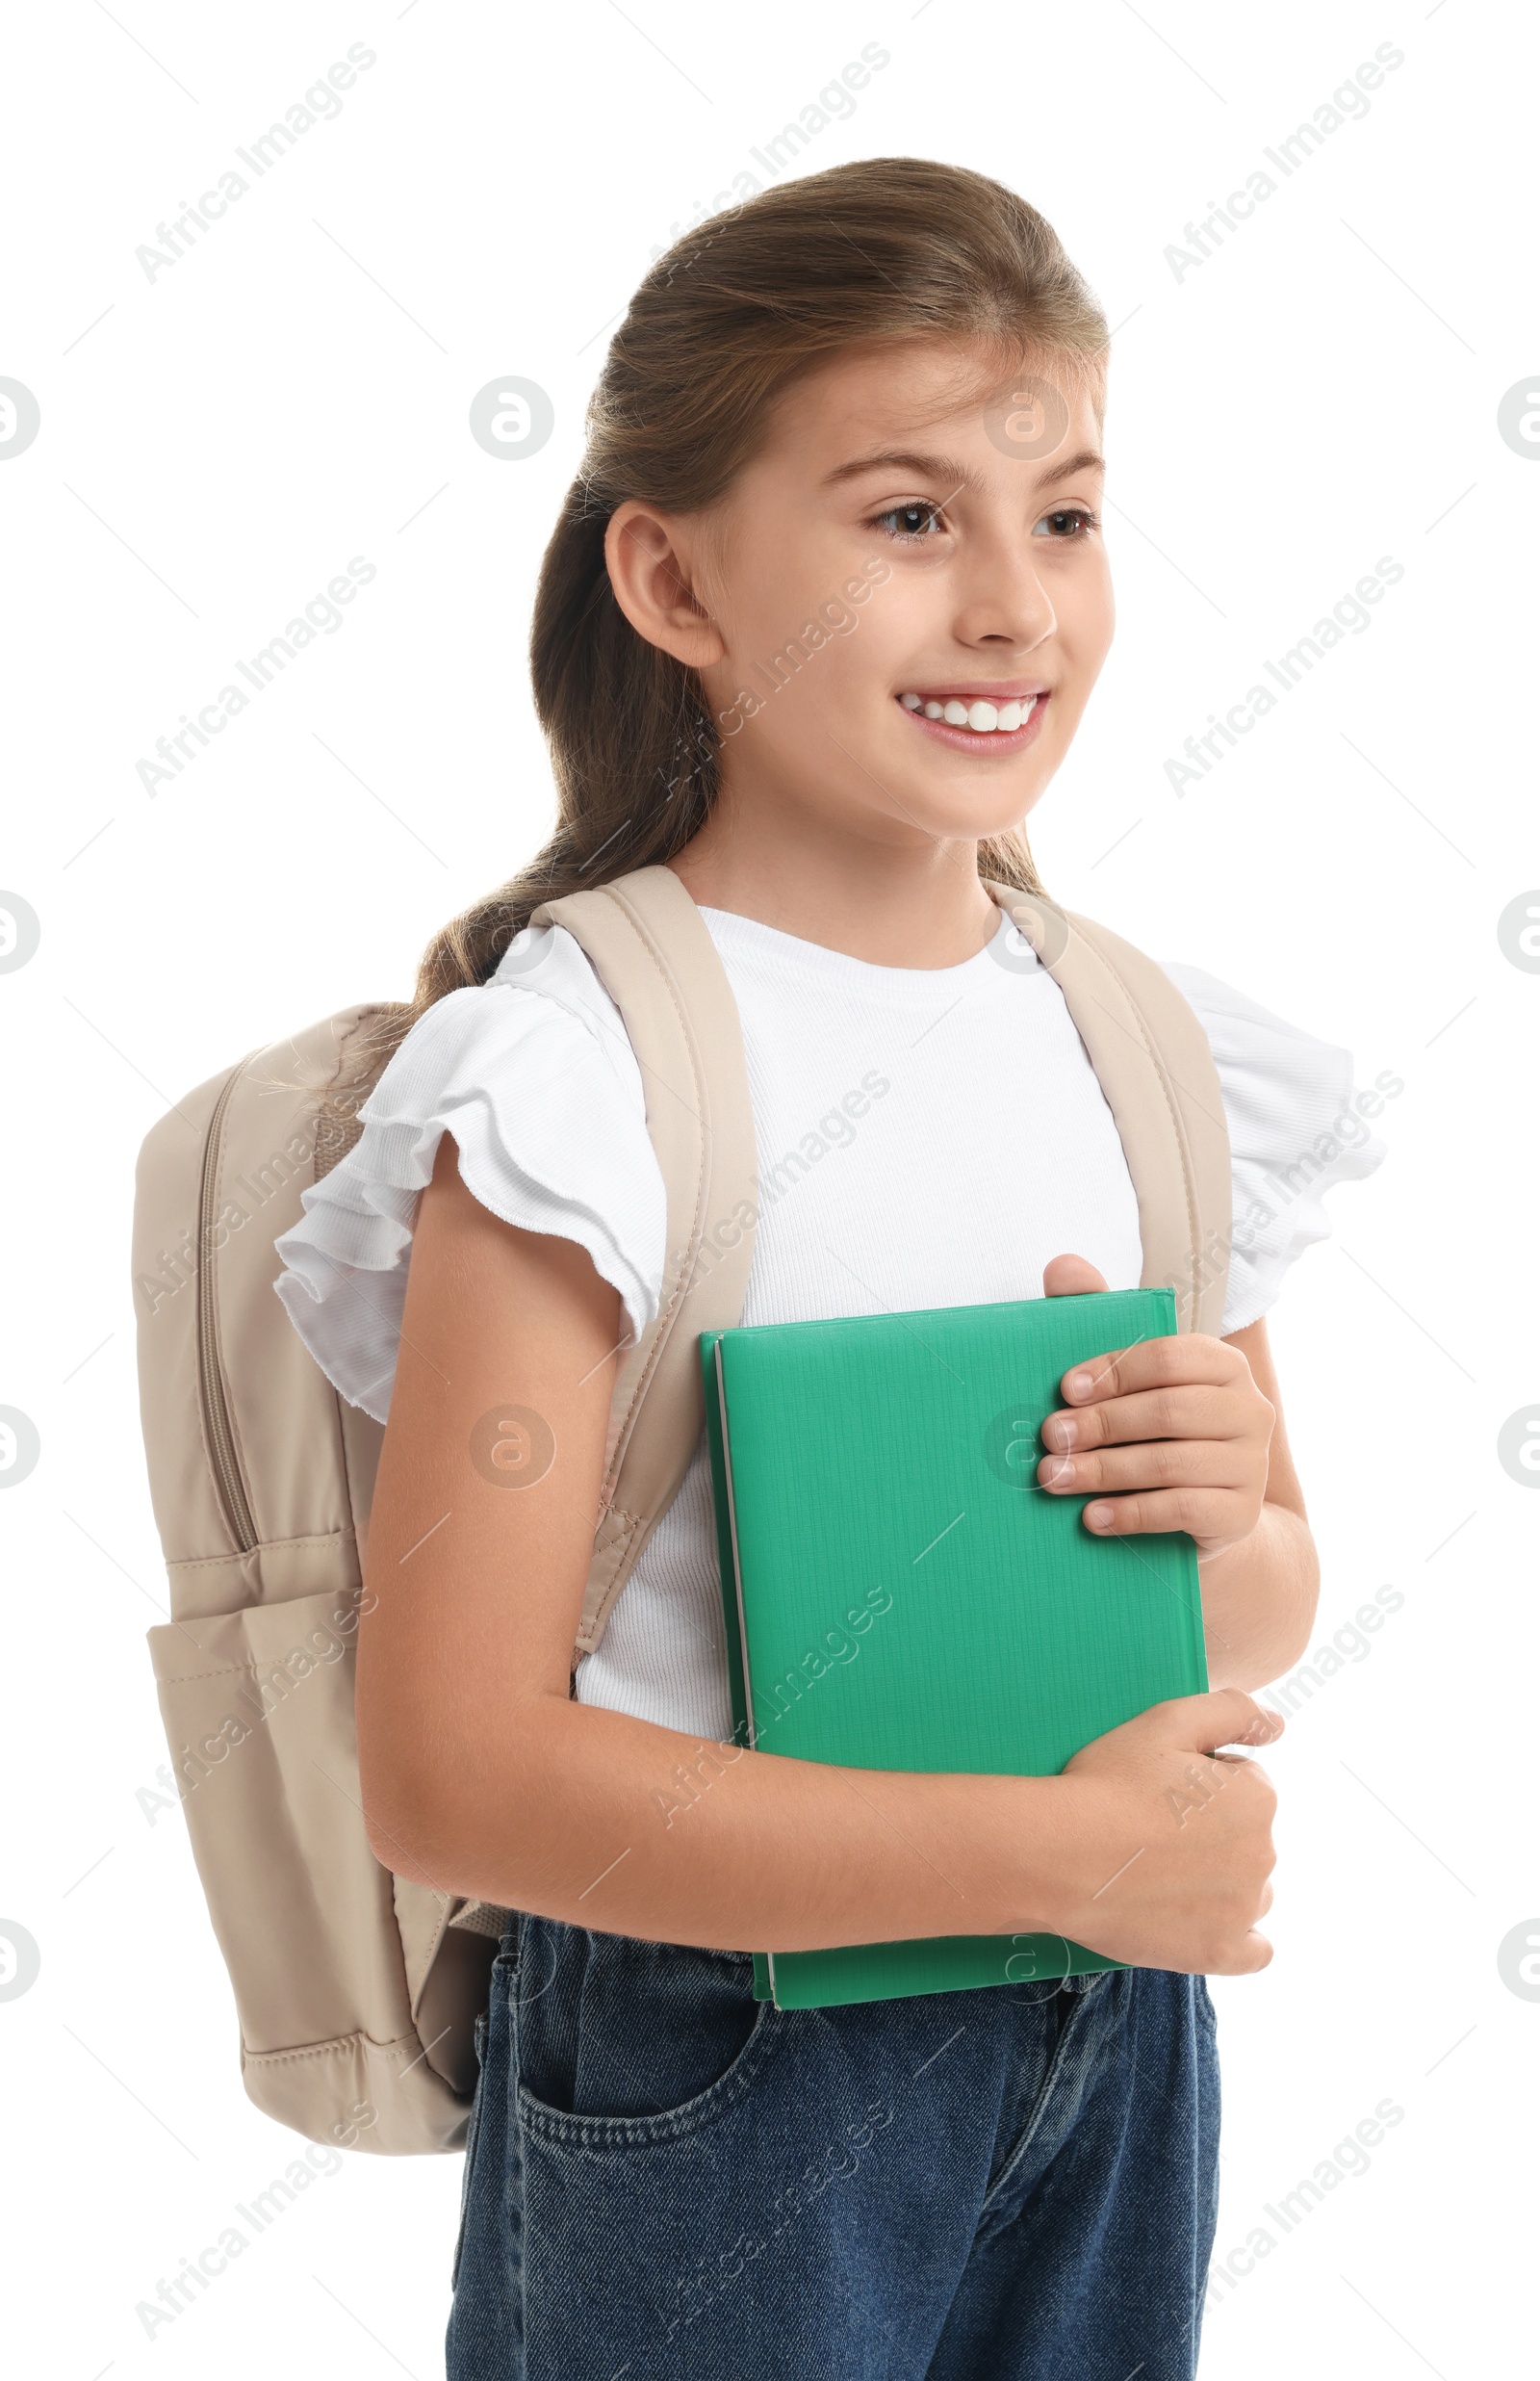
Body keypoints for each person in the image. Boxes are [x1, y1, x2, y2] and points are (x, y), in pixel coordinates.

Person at [274, 156, 1386, 2379]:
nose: (1011, 604)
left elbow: (1257, 1594)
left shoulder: (1144, 1051)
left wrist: (1223, 1510)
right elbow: (455, 1771)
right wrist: (1054, 1854)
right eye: (905, 519)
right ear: (670, 577)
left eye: (1060, 517)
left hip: (1109, 2023)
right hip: (721, 2047)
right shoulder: (580, 1076)